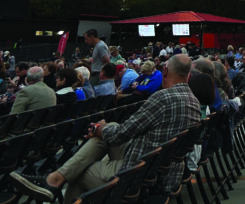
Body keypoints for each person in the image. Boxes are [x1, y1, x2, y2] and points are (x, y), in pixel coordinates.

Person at [12, 54, 200, 202]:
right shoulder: (194, 102)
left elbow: (122, 134)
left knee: (79, 172)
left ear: (164, 71)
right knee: (110, 126)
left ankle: (55, 179)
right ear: (189, 76)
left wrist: (99, 130)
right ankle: (55, 178)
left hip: (139, 172)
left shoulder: (162, 98)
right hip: (160, 166)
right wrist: (104, 129)